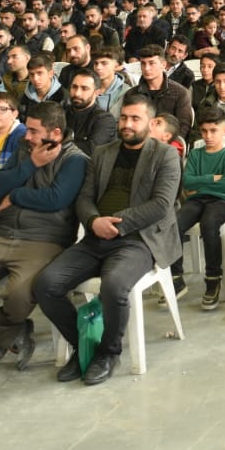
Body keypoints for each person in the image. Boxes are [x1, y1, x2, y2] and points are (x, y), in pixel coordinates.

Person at [34, 94, 181, 385]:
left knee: (114, 285)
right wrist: (92, 221)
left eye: (135, 118)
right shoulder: (102, 153)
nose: (127, 124)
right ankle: (84, 346)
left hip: (139, 239)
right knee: (46, 284)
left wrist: (117, 224)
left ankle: (108, 352)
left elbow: (161, 205)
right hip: (96, 236)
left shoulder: (165, 155)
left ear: (151, 124)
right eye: (124, 117)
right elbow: (85, 197)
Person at [0, 101, 86, 371]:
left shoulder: (75, 159)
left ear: (55, 133)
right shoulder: (25, 150)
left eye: (33, 131)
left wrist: (16, 195)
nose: (26, 135)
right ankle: (11, 333)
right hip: (5, 232)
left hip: (46, 239)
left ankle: (3, 332)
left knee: (19, 294)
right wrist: (32, 163)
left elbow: (56, 199)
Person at [174, 109, 225, 310]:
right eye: (204, 131)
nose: (208, 136)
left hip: (223, 201)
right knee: (175, 223)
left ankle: (213, 278)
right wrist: (213, 178)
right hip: (196, 201)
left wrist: (200, 183)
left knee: (209, 224)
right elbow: (187, 182)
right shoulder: (195, 154)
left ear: (224, 130)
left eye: (214, 130)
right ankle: (176, 275)